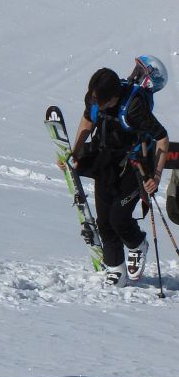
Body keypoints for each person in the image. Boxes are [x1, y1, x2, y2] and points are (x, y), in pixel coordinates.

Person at [70, 58, 170, 286]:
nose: (96, 104)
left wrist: (155, 177)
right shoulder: (95, 98)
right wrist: (75, 152)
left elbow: (162, 138)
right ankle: (116, 268)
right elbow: (87, 122)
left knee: (118, 217)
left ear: (114, 97)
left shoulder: (134, 107)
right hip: (105, 162)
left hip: (135, 166)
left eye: (101, 102)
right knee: (104, 220)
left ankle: (137, 244)